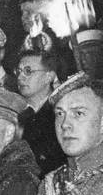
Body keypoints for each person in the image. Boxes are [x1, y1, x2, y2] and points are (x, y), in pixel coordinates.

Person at [15, 48, 65, 176]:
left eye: (28, 71)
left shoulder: (59, 114)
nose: (20, 77)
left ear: (49, 76)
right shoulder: (15, 113)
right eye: (18, 71)